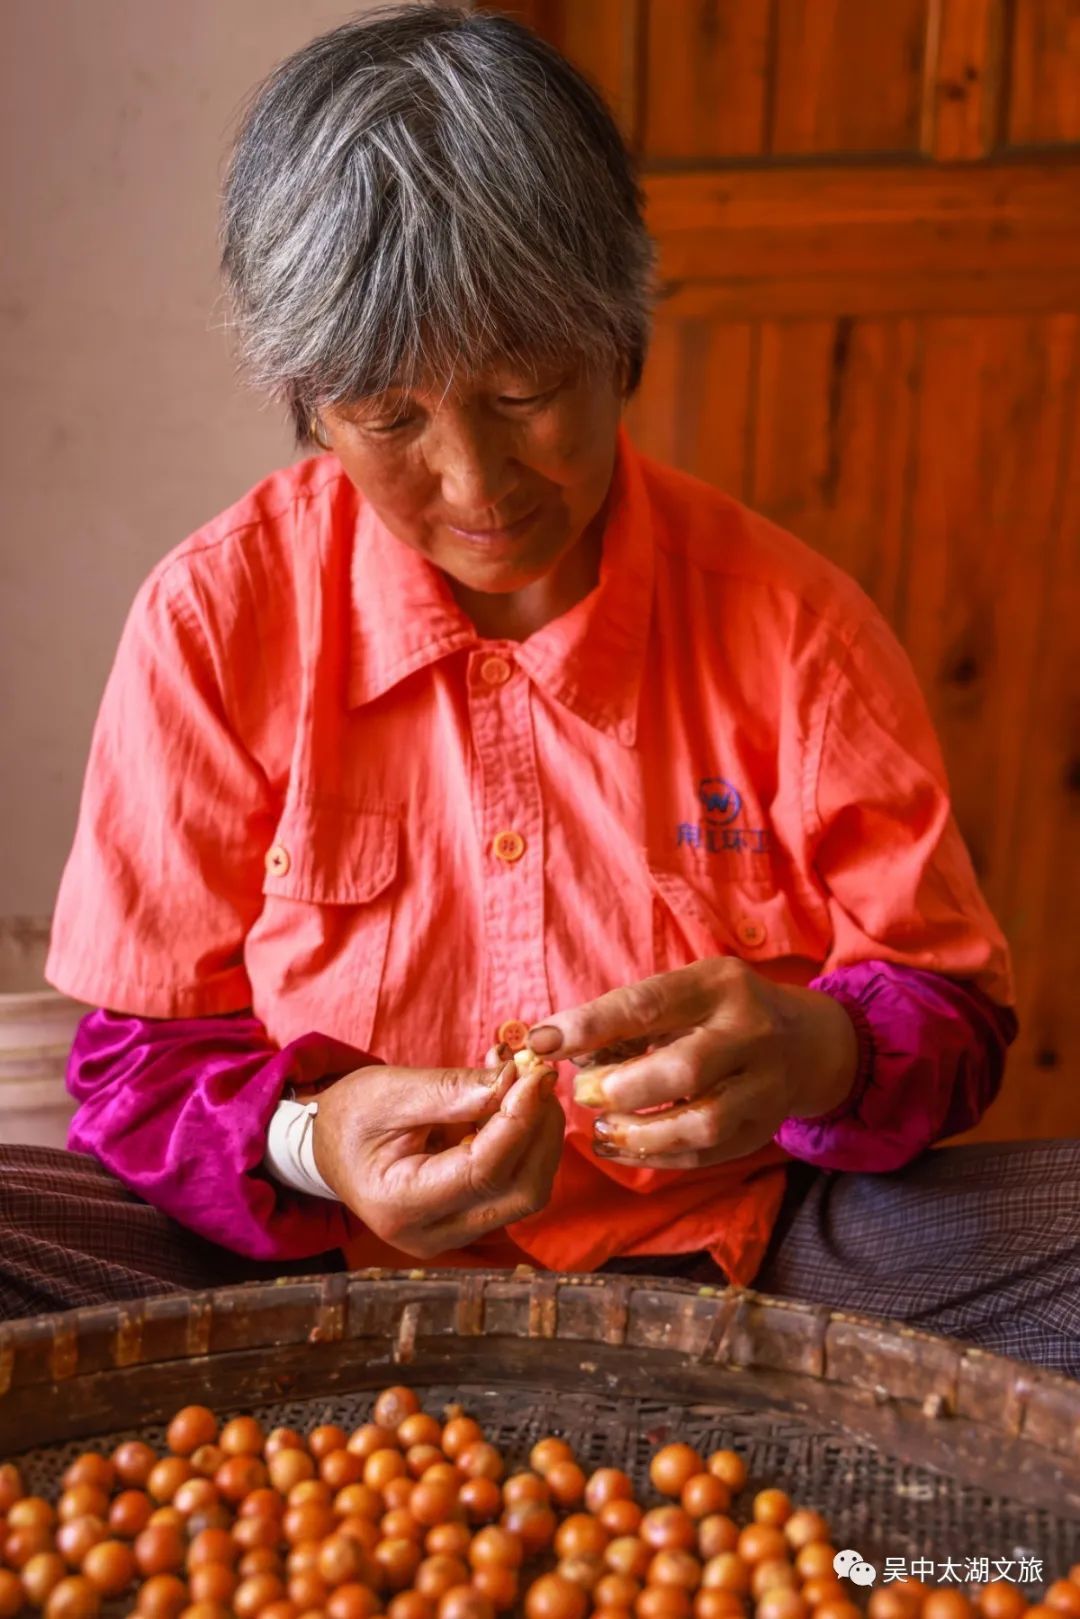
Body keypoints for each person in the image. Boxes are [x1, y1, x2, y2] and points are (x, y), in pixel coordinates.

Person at [3, 3, 1076, 1371]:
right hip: (308, 1273)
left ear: (620, 340)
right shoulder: (221, 619)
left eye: (526, 394)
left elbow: (957, 1020)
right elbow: (133, 1065)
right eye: (389, 421)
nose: (476, 485)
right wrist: (315, 1140)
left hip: (741, 1262)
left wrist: (818, 1056)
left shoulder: (793, 629)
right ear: (309, 406)